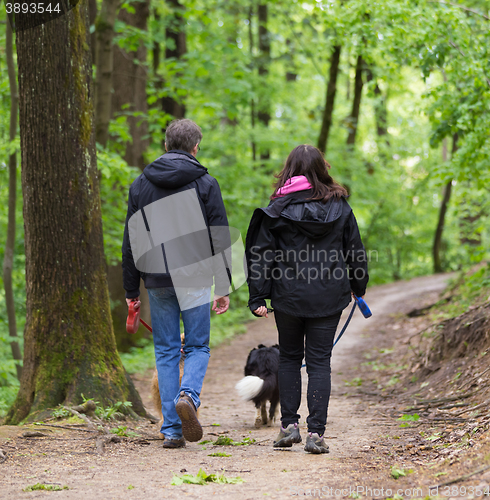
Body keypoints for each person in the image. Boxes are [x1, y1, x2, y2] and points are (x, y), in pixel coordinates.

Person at [245, 144, 369, 454]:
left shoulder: (277, 210)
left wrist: (258, 294)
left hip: (288, 295)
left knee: (289, 357)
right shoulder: (340, 207)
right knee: (318, 362)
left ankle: (288, 427)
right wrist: (358, 285)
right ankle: (316, 433)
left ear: (289, 169)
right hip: (329, 295)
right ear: (322, 169)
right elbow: (355, 251)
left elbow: (261, 254)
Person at [122, 118, 231, 449]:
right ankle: (189, 396)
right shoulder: (205, 183)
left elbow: (130, 242)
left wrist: (131, 290)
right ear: (195, 147)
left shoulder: (141, 185)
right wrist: (223, 283)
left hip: (156, 278)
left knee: (166, 350)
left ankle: (170, 430)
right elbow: (219, 235)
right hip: (195, 275)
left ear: (166, 145)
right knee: (197, 346)